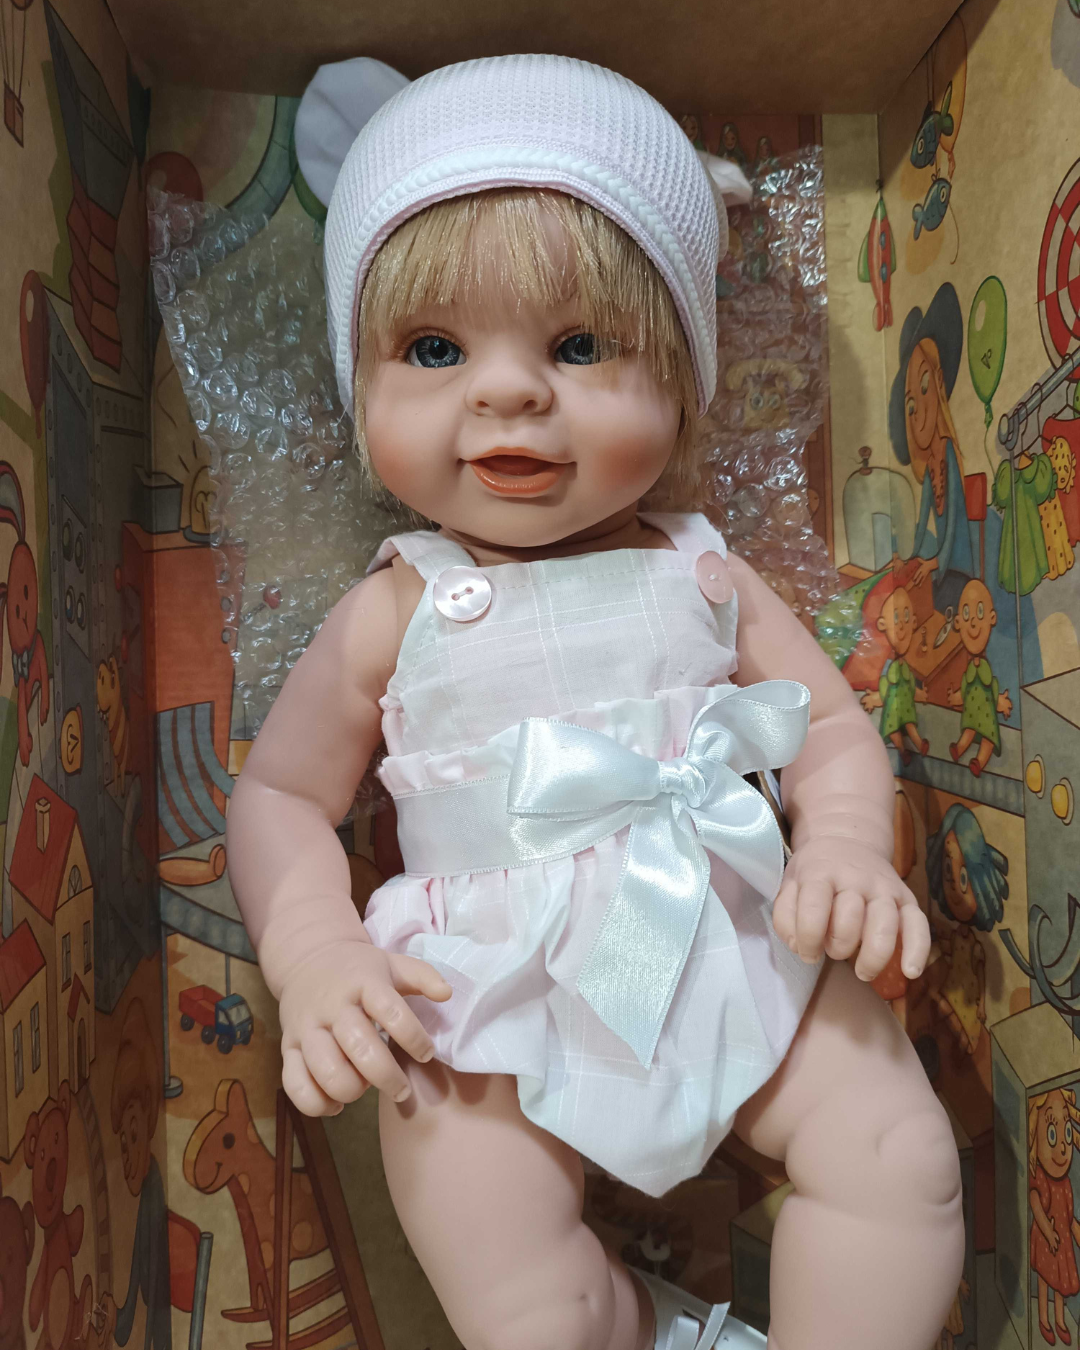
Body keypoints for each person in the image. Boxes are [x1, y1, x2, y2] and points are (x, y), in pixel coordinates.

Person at [226, 54, 964, 1350]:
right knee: (528, 1305)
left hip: (729, 929)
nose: (509, 390)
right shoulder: (398, 604)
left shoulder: (701, 568)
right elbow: (283, 794)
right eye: (436, 348)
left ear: (683, 381)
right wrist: (315, 952)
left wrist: (845, 843)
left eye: (579, 346)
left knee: (900, 1161)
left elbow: (832, 729)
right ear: (362, 387)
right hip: (475, 996)